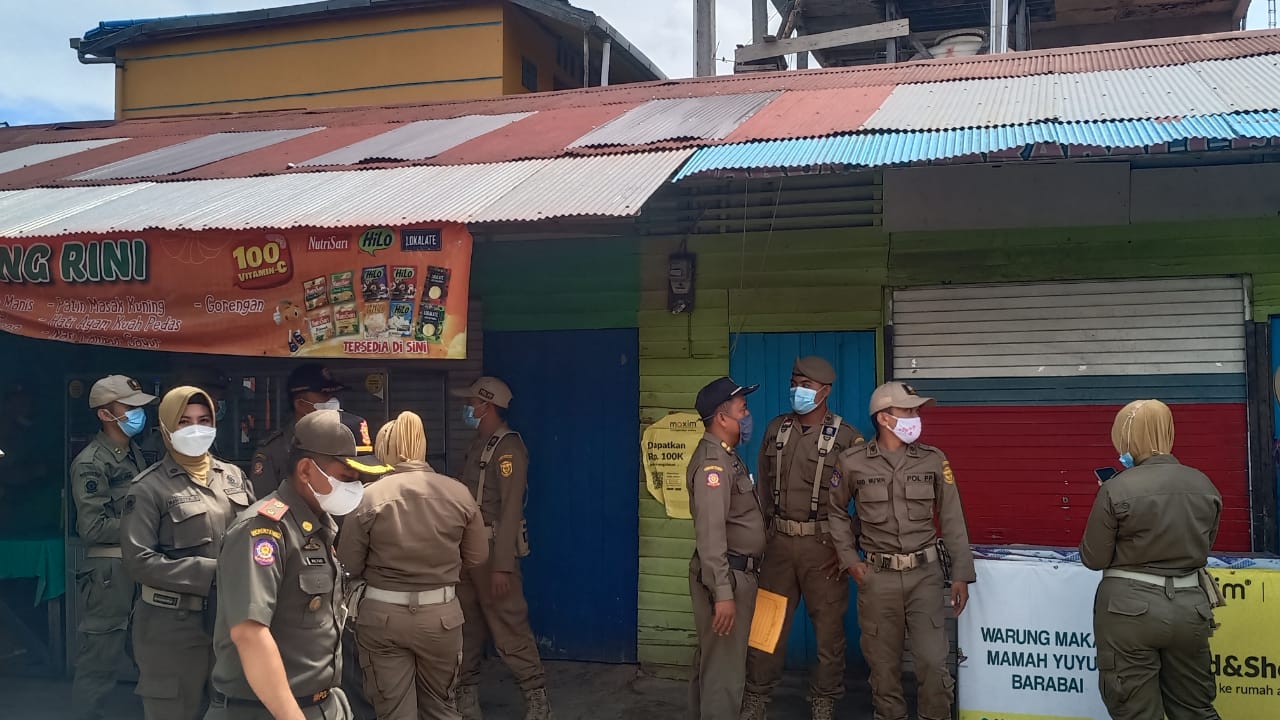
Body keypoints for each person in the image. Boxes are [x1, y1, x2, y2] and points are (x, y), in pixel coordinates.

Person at [206, 410, 391, 720]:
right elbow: (250, 634)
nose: (356, 487)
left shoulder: (319, 527)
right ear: (306, 470)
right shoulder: (263, 531)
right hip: (265, 712)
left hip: (322, 704)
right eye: (347, 477)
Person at [827, 381, 976, 720]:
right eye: (907, 411)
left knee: (934, 664)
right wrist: (850, 561)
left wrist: (961, 574)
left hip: (925, 576)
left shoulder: (933, 460)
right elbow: (835, 511)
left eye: (915, 411)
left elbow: (952, 517)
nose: (915, 417)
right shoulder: (852, 463)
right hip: (877, 579)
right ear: (883, 417)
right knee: (883, 669)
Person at [338, 411, 489, 720]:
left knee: (394, 710)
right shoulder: (459, 493)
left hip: (382, 618)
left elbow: (348, 563)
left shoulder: (367, 497)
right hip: (441, 617)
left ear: (386, 449)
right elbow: (477, 557)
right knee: (441, 708)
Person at [1079, 400, 1223, 720]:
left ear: (1128, 436)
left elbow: (1093, 557)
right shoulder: (1204, 484)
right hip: (1191, 608)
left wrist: (1106, 495)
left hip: (1128, 612)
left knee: (1136, 711)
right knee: (1195, 709)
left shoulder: (1116, 488)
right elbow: (1204, 546)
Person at [121, 386, 254, 720]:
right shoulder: (148, 487)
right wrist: (215, 573)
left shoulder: (233, 477)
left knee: (232, 709)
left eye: (204, 420)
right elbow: (139, 561)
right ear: (166, 427)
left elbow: (255, 537)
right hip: (173, 626)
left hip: (229, 621)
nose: (196, 429)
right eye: (184, 421)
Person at [742, 357, 863, 720]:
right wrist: (762, 539)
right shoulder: (776, 429)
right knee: (766, 626)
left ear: (825, 391)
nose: (797, 390)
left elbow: (867, 499)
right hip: (778, 545)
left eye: (806, 386)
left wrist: (847, 546)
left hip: (823, 548)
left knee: (828, 631)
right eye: (794, 383)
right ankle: (757, 695)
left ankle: (824, 699)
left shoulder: (847, 438)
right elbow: (763, 492)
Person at [450, 377, 552, 720]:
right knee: (465, 625)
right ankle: (466, 696)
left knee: (509, 623)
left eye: (472, 403)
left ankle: (536, 698)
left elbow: (510, 511)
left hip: (493, 550)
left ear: (487, 406)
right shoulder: (478, 443)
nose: (468, 408)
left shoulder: (508, 449)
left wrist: (503, 566)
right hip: (467, 549)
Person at [69, 375, 156, 720]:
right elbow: (92, 528)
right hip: (109, 574)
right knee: (100, 658)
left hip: (136, 565)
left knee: (149, 650)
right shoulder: (91, 462)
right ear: (106, 415)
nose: (138, 414)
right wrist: (147, 525)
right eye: (129, 407)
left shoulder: (133, 453)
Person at [686, 376, 766, 720]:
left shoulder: (727, 457)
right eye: (742, 409)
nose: (747, 416)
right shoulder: (713, 465)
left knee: (716, 663)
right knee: (724, 674)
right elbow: (711, 533)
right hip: (727, 577)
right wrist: (722, 593)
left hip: (734, 575)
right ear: (721, 417)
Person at [251, 363, 346, 498]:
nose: (333, 400)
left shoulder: (345, 441)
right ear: (300, 404)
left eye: (333, 394)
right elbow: (265, 503)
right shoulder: (272, 451)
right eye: (325, 394)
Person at [141, 367, 232, 466]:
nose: (218, 405)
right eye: (214, 400)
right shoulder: (159, 442)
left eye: (221, 398)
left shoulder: (217, 434)